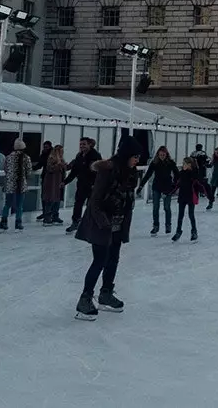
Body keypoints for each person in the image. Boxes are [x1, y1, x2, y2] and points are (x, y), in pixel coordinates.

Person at [74, 136, 139, 320]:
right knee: (100, 260)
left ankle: (106, 293)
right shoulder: (108, 170)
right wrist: (104, 224)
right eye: (135, 156)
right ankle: (85, 299)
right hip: (102, 224)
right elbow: (94, 201)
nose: (137, 160)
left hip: (118, 224)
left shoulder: (131, 172)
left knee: (113, 259)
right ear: (126, 154)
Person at [64, 137, 102, 233]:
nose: (82, 146)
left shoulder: (95, 155)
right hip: (81, 184)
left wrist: (96, 184)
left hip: (92, 186)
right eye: (80, 144)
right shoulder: (79, 156)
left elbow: (99, 171)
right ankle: (75, 222)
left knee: (91, 205)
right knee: (78, 203)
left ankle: (90, 224)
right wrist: (65, 182)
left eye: (84, 144)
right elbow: (74, 171)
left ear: (89, 145)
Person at [138, 146, 178, 236]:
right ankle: (156, 226)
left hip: (167, 188)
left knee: (167, 207)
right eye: (160, 155)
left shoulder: (171, 163)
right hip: (157, 187)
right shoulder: (154, 163)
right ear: (157, 155)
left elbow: (177, 174)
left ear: (166, 154)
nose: (162, 156)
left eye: (163, 155)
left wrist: (174, 186)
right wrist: (141, 186)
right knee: (155, 208)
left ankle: (168, 225)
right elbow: (148, 175)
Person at [171, 157, 206, 242]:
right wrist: (170, 192)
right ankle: (178, 232)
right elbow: (177, 184)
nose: (183, 165)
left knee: (191, 215)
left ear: (189, 164)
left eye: (184, 164)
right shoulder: (181, 173)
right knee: (180, 215)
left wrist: (206, 192)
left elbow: (200, 184)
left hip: (190, 197)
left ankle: (194, 231)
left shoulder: (194, 174)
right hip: (182, 196)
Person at [41, 144, 67, 225]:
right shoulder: (51, 158)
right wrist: (58, 165)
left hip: (58, 182)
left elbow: (63, 169)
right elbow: (49, 169)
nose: (62, 153)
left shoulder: (62, 160)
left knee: (57, 199)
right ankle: (47, 217)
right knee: (50, 199)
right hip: (51, 182)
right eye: (61, 151)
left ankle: (55, 216)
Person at [32, 140, 53, 222]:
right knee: (44, 195)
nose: (45, 148)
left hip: (51, 178)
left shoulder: (52, 155)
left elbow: (42, 164)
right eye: (44, 147)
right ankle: (45, 212)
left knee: (49, 196)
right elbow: (40, 164)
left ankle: (48, 213)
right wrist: (33, 168)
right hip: (45, 176)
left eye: (46, 147)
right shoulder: (44, 154)